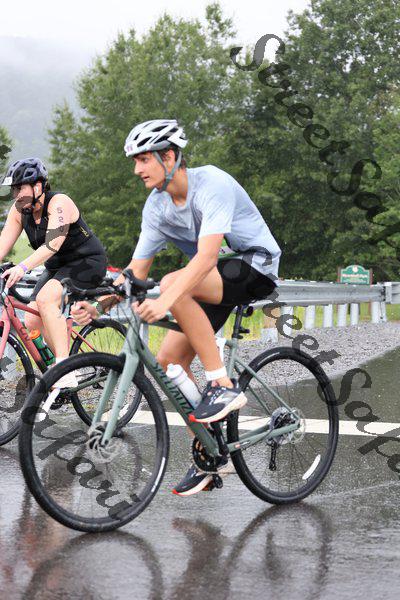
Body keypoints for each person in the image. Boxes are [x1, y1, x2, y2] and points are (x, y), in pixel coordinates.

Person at [73, 119, 281, 494]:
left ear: (168, 156)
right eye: (135, 161)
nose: (137, 170)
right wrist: (98, 307)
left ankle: (221, 384)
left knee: (173, 282)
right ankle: (210, 450)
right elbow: (136, 271)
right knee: (169, 363)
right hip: (212, 280)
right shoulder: (156, 207)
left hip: (254, 266)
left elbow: (206, 258)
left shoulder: (212, 183)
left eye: (143, 160)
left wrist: (167, 298)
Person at [0, 157, 107, 386]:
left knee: (46, 299)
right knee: (32, 318)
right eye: (13, 190)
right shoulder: (19, 211)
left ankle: (64, 368)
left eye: (20, 188)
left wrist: (22, 267)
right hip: (57, 267)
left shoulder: (59, 203)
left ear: (38, 186)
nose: (16, 195)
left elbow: (53, 244)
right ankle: (62, 365)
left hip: (87, 262)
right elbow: (2, 245)